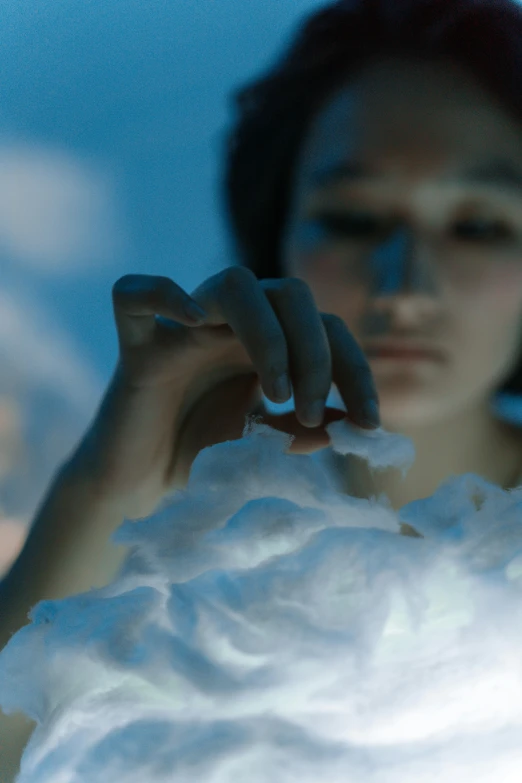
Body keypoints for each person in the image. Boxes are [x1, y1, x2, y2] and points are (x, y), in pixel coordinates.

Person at [4, 0, 522, 776]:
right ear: (275, 233)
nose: (406, 287)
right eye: (352, 218)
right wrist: (106, 488)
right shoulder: (171, 540)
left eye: (479, 225)